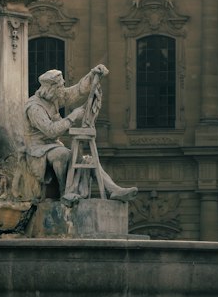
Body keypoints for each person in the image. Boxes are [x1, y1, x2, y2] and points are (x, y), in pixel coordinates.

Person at [24, 66, 137, 203]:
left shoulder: (54, 97)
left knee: (88, 160)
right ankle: (64, 193)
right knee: (63, 154)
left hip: (52, 146)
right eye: (60, 86)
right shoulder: (34, 107)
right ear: (51, 88)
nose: (63, 89)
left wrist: (92, 74)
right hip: (37, 150)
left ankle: (113, 189)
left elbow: (77, 91)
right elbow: (51, 131)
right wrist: (73, 117)